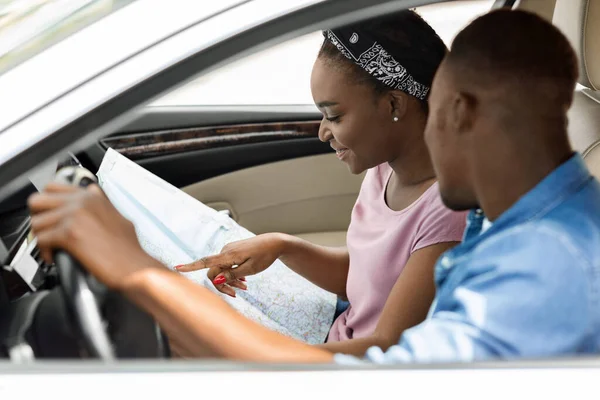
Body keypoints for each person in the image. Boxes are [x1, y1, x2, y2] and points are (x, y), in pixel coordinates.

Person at [28, 8, 600, 363]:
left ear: (459, 113)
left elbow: (379, 371)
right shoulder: (516, 220)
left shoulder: (548, 269)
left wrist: (139, 273)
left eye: (438, 111)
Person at [172, 10, 466, 355]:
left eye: (335, 116)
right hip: (341, 337)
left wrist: (254, 357)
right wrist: (281, 246)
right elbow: (362, 281)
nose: (322, 132)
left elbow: (385, 347)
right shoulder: (384, 168)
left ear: (393, 104)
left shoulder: (448, 213)